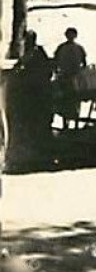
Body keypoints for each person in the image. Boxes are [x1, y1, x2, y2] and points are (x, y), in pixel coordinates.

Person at [5, 31, 53, 171]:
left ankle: (38, 153)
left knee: (36, 122)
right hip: (33, 93)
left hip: (37, 92)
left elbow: (40, 69)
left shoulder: (35, 53)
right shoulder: (30, 53)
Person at [53, 27, 87, 128]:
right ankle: (65, 123)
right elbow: (56, 61)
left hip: (75, 78)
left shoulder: (79, 48)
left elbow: (84, 62)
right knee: (64, 100)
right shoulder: (61, 48)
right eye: (69, 34)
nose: (70, 37)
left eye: (72, 35)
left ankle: (76, 123)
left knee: (75, 100)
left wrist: (81, 73)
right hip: (64, 77)